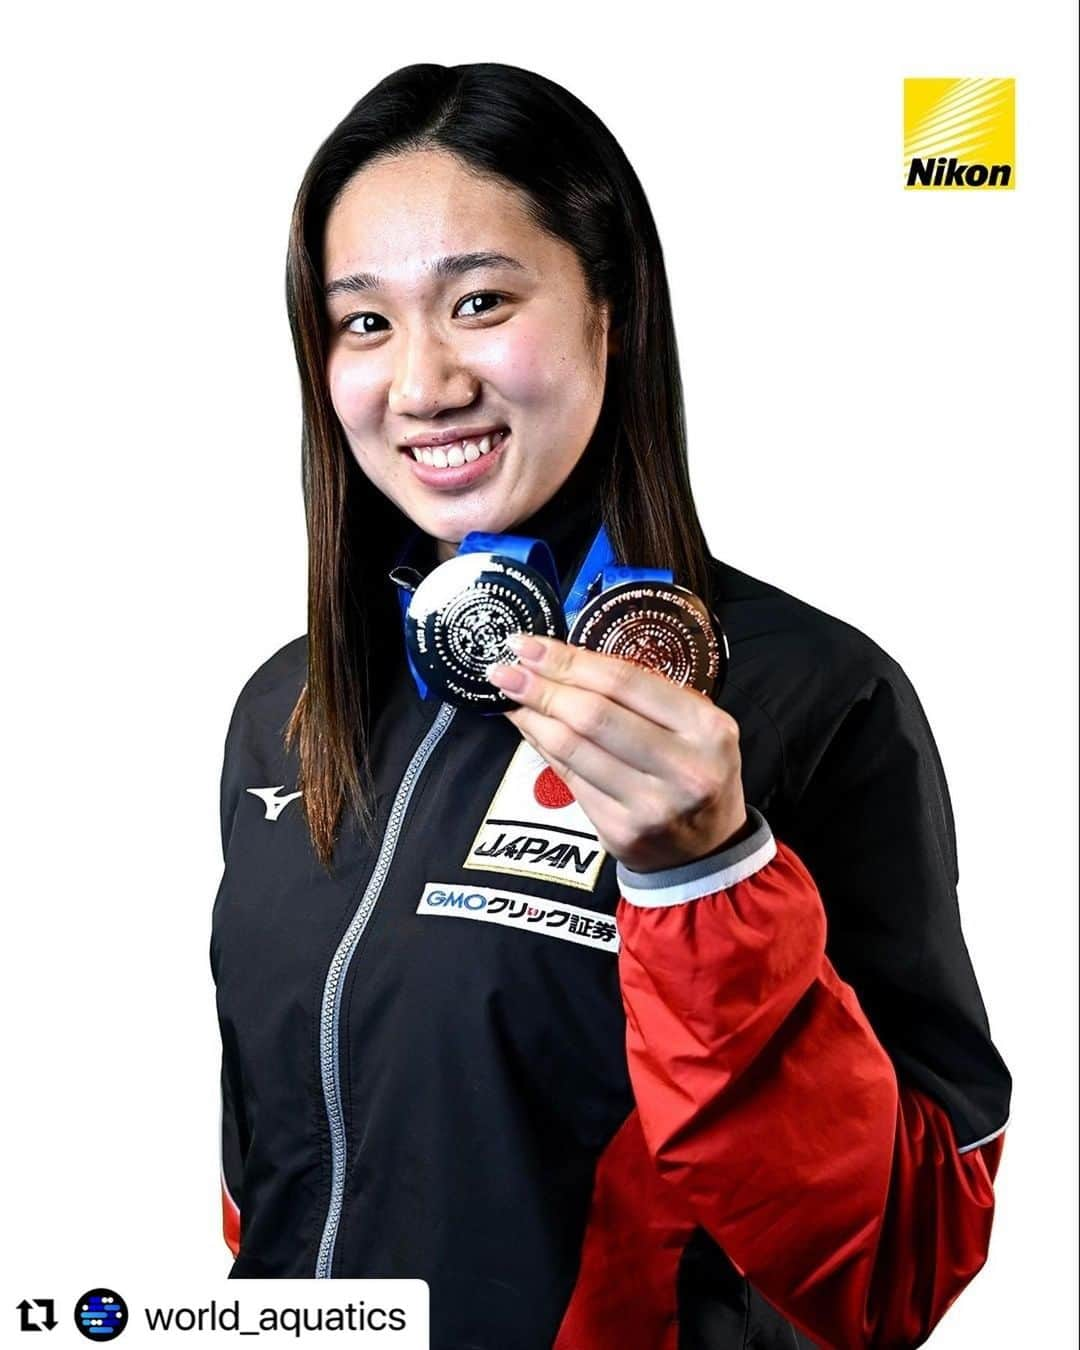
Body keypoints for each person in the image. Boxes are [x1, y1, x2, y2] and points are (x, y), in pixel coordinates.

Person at [209, 62, 1011, 1350]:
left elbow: (900, 1265)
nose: (419, 385)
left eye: (479, 302)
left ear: (612, 307)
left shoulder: (806, 695)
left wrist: (711, 886)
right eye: (364, 322)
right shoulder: (292, 704)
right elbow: (278, 1194)